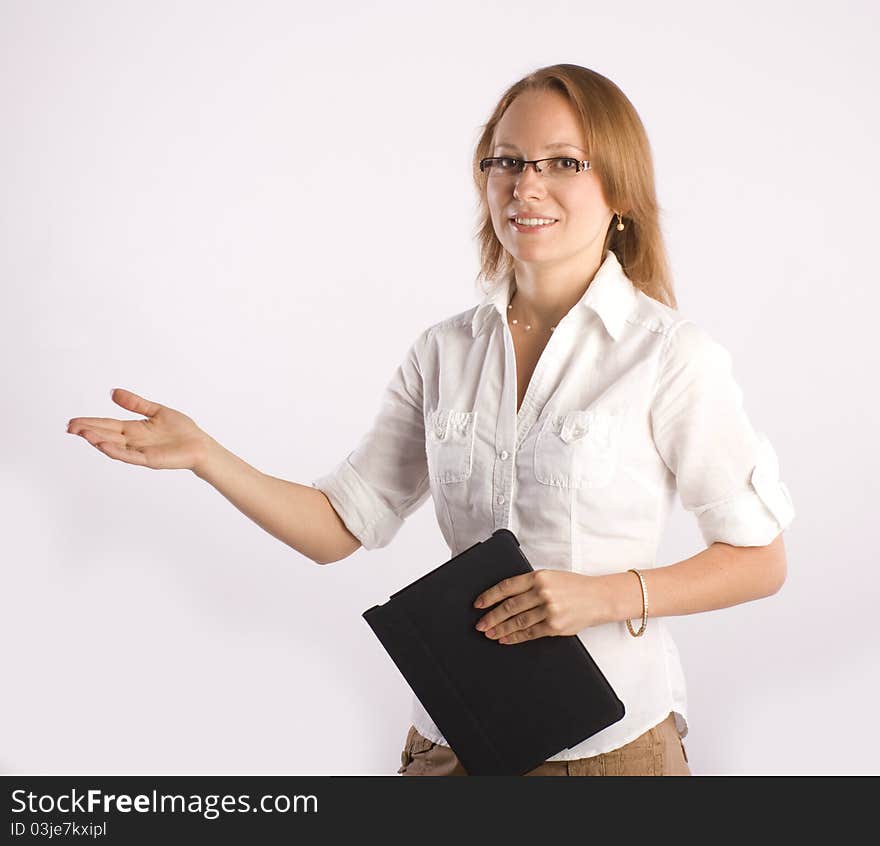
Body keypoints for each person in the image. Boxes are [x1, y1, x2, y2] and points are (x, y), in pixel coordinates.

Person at [66, 63, 795, 777]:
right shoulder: (445, 351)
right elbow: (340, 526)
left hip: (606, 755)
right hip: (453, 744)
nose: (525, 184)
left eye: (562, 162)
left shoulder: (669, 357)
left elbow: (761, 561)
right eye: (505, 161)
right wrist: (206, 456)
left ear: (620, 192)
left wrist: (604, 595)